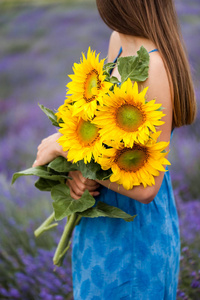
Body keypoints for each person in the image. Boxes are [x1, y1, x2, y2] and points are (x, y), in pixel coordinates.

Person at [33, 0, 197, 299]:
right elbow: (103, 129)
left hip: (133, 234)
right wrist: (82, 172)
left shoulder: (156, 68)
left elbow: (147, 188)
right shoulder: (119, 39)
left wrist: (66, 150)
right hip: (100, 226)